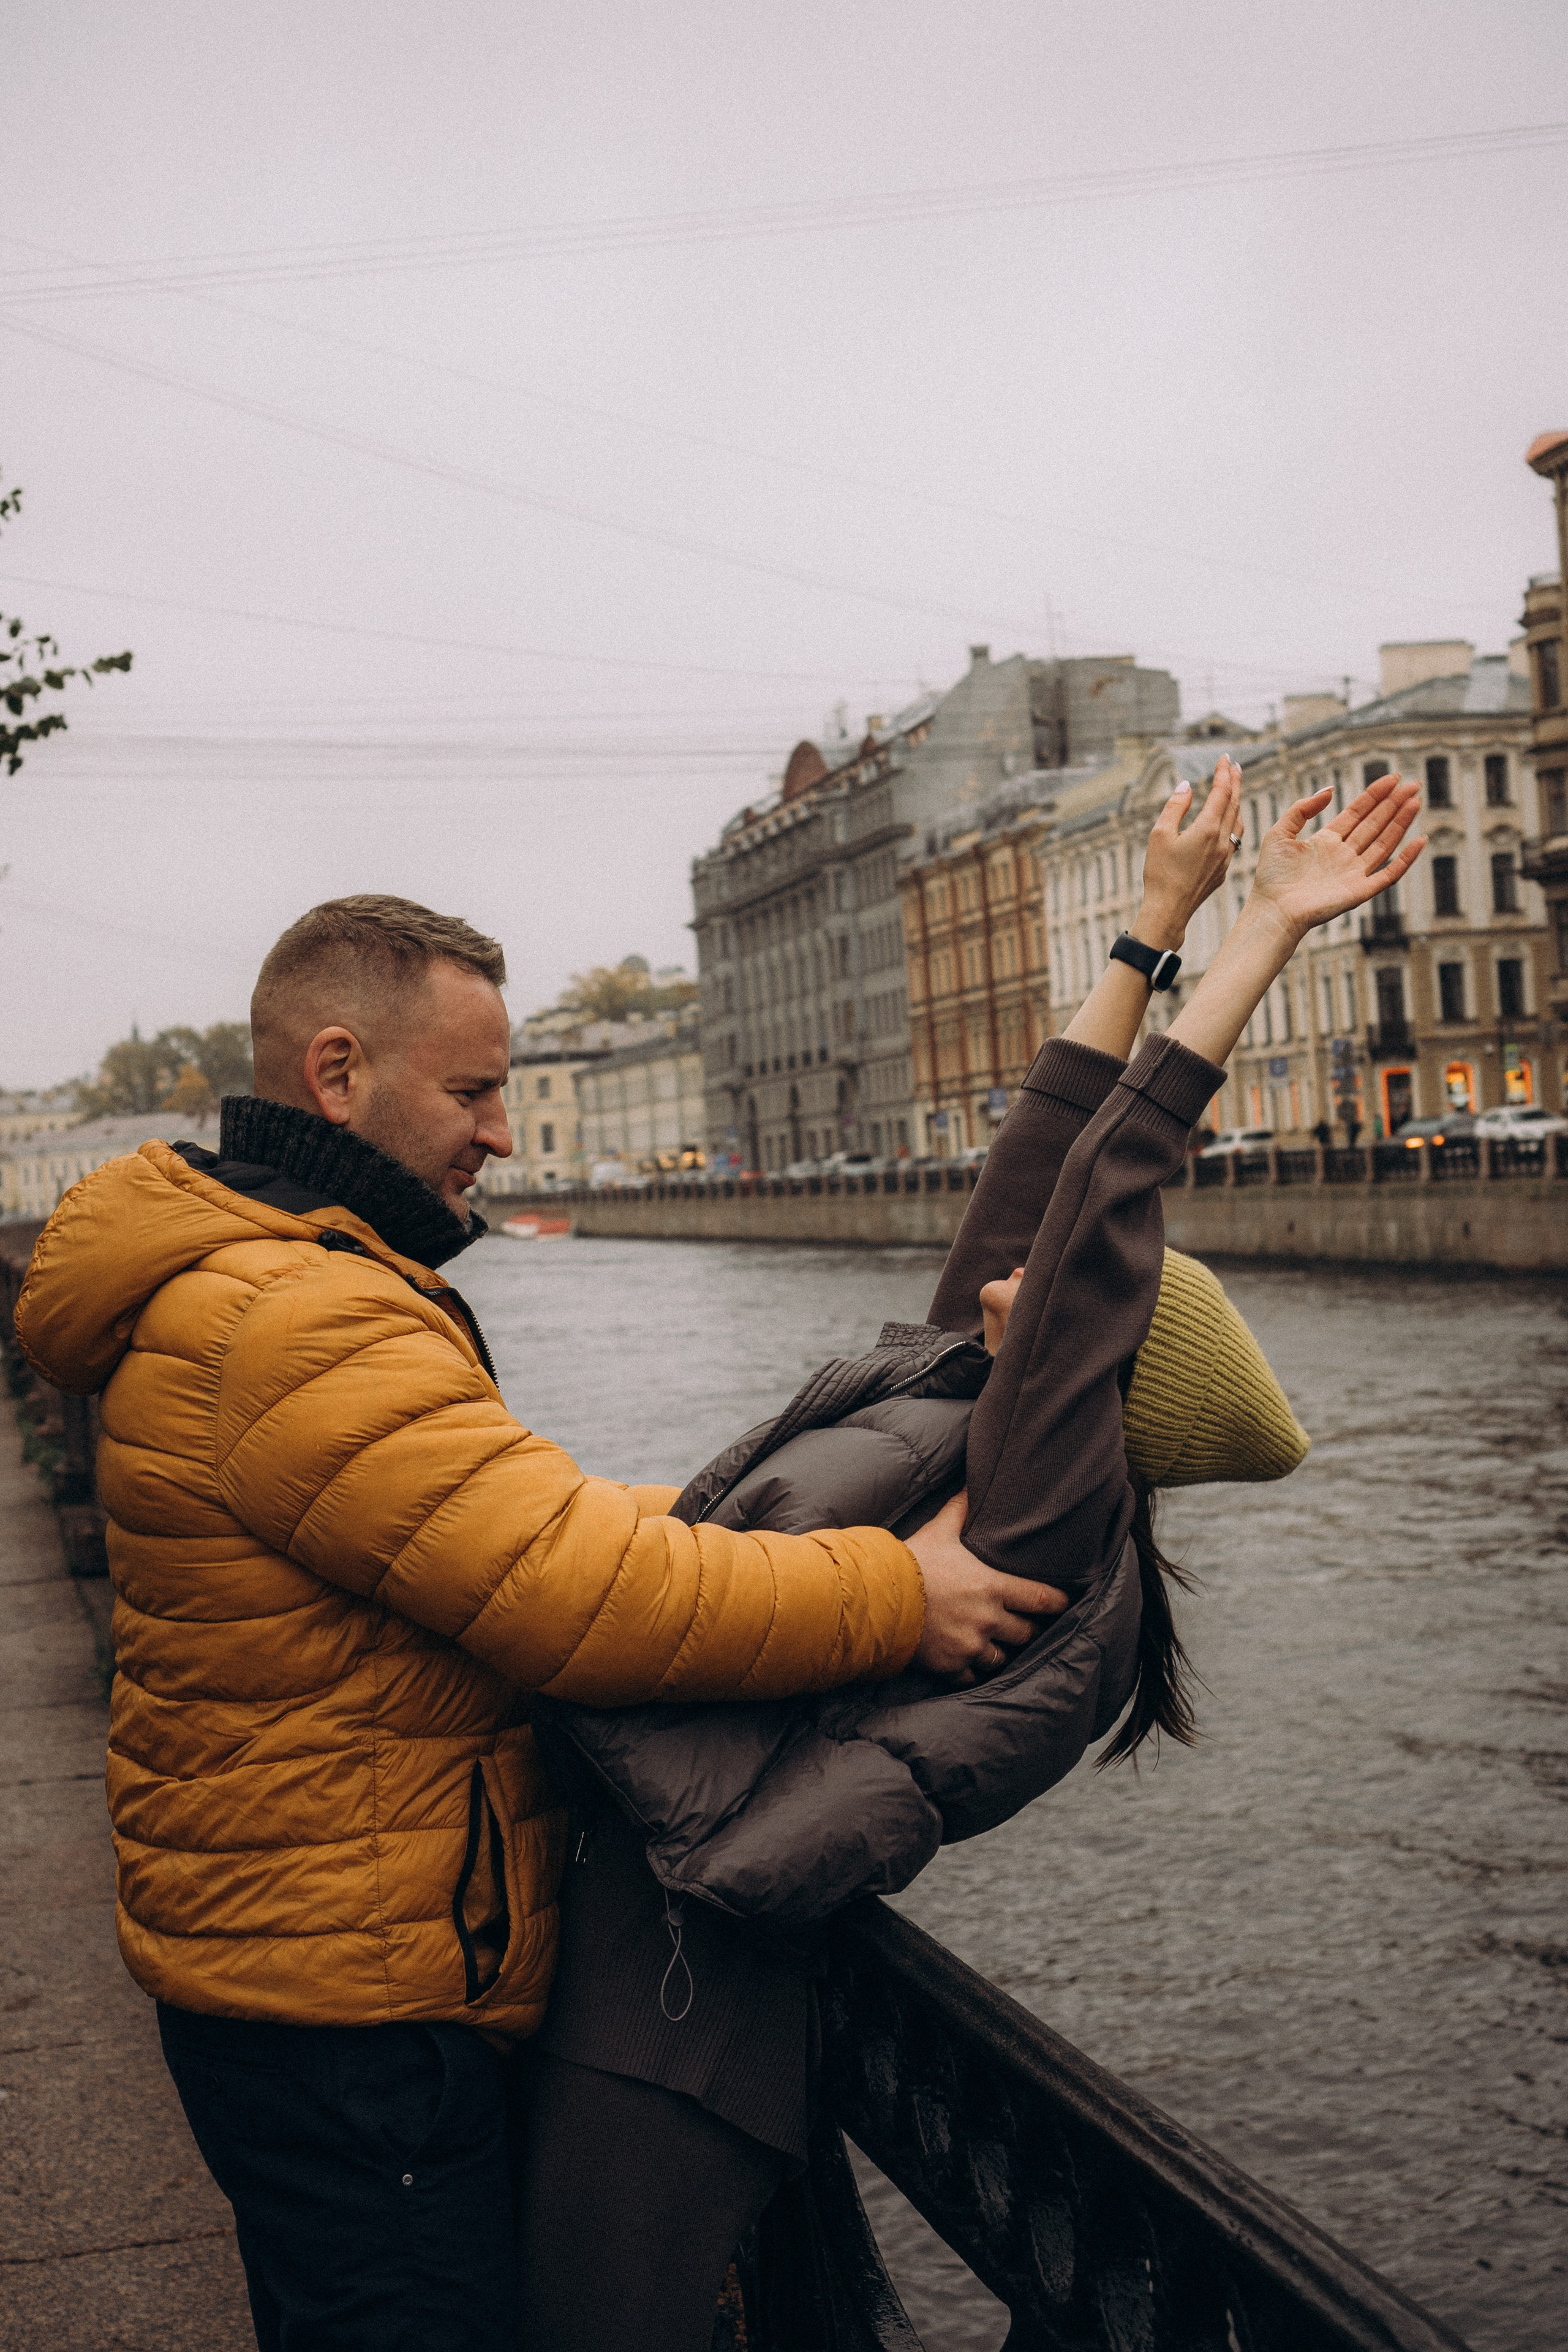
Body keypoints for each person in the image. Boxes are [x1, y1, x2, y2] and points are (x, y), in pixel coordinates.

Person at [12, 895, 1066, 2352]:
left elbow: (519, 1527)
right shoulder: (296, 1317)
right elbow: (585, 1599)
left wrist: (766, 1521)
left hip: (305, 1961)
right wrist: (900, 1596)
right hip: (357, 2008)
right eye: (472, 1092)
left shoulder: (265, 1280)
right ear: (337, 1072)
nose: (501, 1135)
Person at [512, 761, 1426, 2351]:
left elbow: (1097, 1206)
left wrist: (1265, 934)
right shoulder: (966, 1414)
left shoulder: (1042, 1524)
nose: (1018, 1278)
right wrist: (1150, 925)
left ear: (1097, 1369)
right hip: (637, 1928)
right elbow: (1039, 1175)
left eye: (1075, 1307)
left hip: (675, 1998)